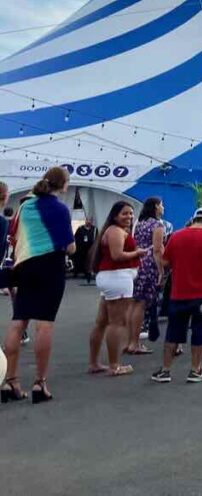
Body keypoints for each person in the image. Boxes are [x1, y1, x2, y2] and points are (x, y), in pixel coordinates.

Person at [1, 166, 76, 404]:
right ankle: (39, 383)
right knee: (44, 324)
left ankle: (8, 380)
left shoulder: (25, 206)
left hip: (24, 266)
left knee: (18, 321)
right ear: (63, 185)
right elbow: (70, 246)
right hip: (50, 268)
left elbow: (13, 236)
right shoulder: (60, 209)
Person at [150, 207, 202, 384]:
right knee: (200, 331)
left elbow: (166, 262)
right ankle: (195, 370)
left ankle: (165, 370)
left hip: (179, 291)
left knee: (173, 331)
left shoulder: (176, 236)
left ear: (193, 219)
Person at [88, 201, 147, 377]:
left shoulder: (114, 230)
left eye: (130, 213)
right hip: (118, 278)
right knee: (117, 323)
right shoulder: (115, 231)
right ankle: (114, 365)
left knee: (102, 322)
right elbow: (117, 255)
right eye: (124, 213)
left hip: (113, 277)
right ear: (115, 215)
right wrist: (137, 253)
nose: (129, 217)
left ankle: (94, 363)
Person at [127, 197, 165, 356]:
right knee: (141, 304)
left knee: (134, 302)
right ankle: (135, 343)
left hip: (136, 261)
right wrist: (161, 270)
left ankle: (130, 341)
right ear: (156, 206)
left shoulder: (139, 223)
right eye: (161, 205)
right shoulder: (157, 225)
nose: (163, 208)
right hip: (149, 264)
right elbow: (157, 249)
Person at [72, 216, 97, 284]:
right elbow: (76, 237)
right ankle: (77, 271)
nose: (88, 222)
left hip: (90, 248)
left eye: (90, 220)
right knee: (80, 259)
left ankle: (88, 273)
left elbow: (96, 238)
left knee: (89, 261)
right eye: (87, 220)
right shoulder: (80, 229)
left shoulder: (94, 229)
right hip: (81, 248)